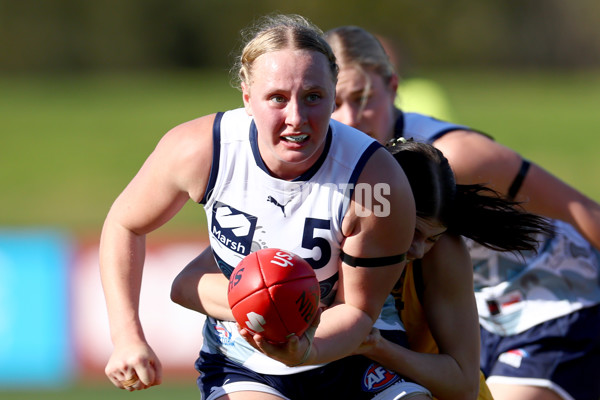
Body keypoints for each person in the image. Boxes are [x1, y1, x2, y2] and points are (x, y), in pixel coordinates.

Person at [99, 14, 430, 399]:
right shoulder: (199, 150)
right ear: (246, 97)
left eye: (313, 97)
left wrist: (305, 350)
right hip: (244, 362)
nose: (296, 118)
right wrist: (126, 338)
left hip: (351, 353)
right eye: (277, 98)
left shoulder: (376, 182)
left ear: (332, 92)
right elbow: (125, 224)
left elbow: (356, 312)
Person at [324, 25, 600, 400]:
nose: (351, 117)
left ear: (392, 87)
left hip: (553, 303)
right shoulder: (339, 159)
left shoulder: (455, 157)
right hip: (479, 316)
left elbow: (579, 208)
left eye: (364, 97)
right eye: (336, 102)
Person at [172, 138, 554, 400]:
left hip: (413, 383)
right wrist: (260, 305)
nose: (419, 250)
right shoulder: (322, 222)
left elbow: (462, 385)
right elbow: (184, 285)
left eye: (431, 238)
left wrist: (374, 344)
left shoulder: (444, 255)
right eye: (413, 233)